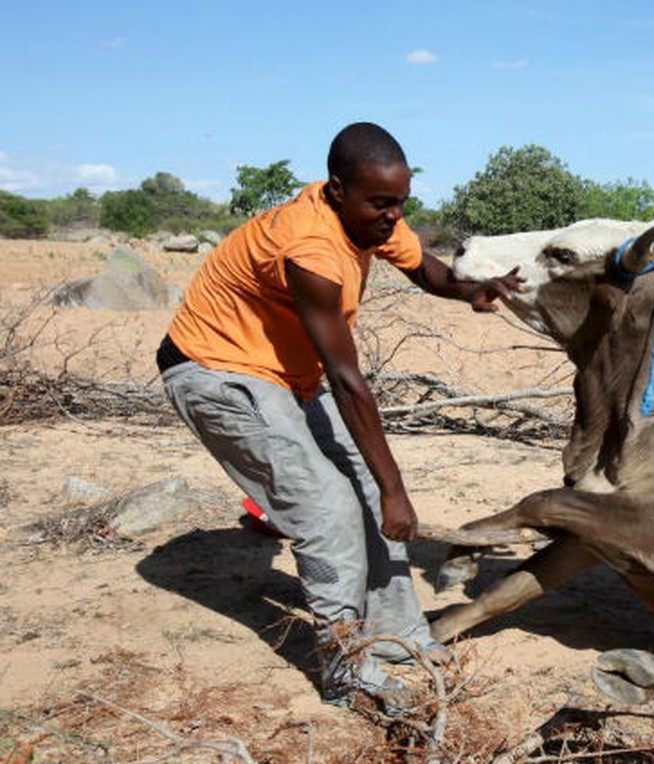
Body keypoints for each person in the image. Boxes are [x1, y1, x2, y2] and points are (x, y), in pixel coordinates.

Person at [155, 122, 522, 713]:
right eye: (381, 203)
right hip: (215, 371)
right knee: (328, 511)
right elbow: (349, 382)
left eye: (400, 202)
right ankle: (348, 670)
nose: (392, 216)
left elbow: (425, 269)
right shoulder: (312, 249)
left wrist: (470, 289)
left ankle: (400, 640)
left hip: (282, 374)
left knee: (369, 496)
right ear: (336, 190)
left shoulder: (367, 214)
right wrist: (397, 491)